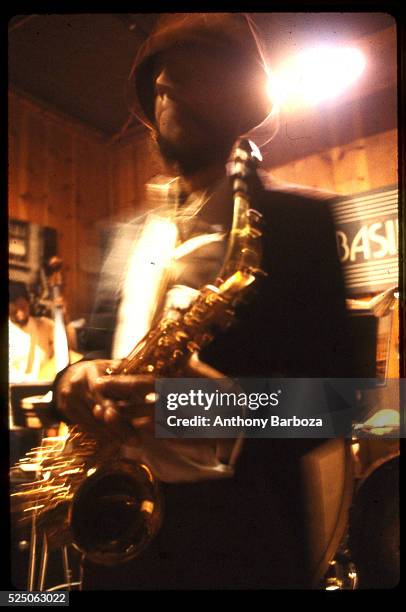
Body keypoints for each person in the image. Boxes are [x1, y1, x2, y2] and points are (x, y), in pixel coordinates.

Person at [53, 13, 354, 589]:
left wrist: (199, 407)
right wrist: (74, 380)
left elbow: (359, 405)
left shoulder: (302, 224)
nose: (169, 86)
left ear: (243, 104)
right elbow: (85, 354)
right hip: (115, 531)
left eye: (198, 74)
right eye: (161, 78)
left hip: (242, 541)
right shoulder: (116, 236)